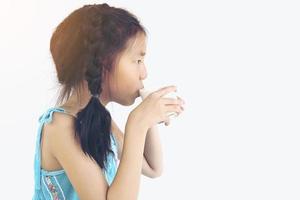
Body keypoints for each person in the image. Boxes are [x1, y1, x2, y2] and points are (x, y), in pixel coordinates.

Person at [32, 3, 185, 200]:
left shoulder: (100, 119)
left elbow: (153, 167)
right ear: (104, 62)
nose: (144, 73)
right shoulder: (61, 126)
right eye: (137, 61)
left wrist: (146, 118)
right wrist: (137, 124)